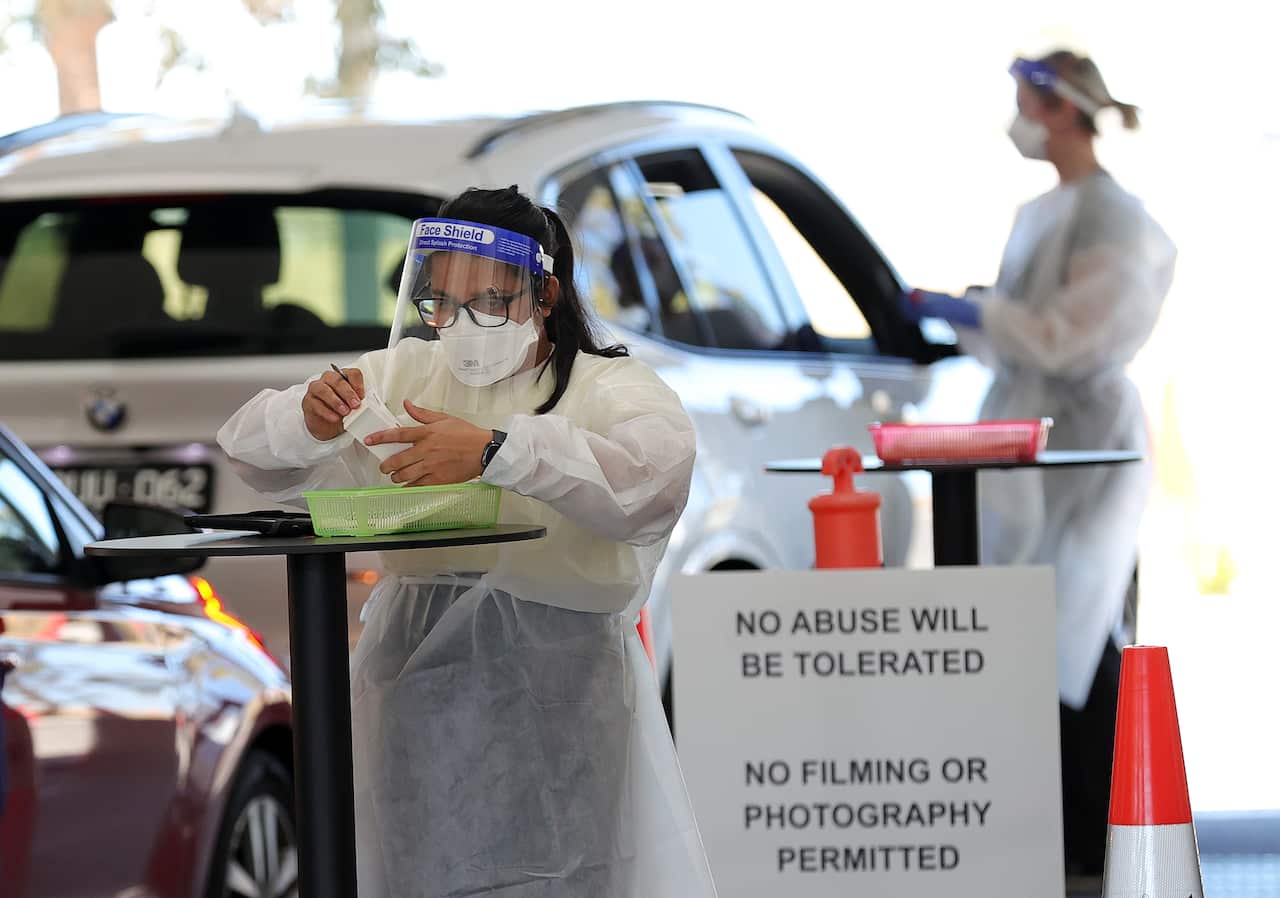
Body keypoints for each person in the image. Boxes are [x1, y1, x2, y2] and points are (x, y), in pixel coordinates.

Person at [218, 186, 718, 897]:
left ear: (544, 294)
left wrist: (498, 451)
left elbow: (651, 481)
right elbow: (246, 448)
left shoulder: (606, 386)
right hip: (414, 691)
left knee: (563, 876)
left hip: (561, 696)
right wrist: (309, 418)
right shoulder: (408, 373)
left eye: (490, 301)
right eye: (442, 303)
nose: (461, 324)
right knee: (415, 874)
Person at [900, 50, 1176, 877]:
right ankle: (1036, 836)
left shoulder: (1119, 220)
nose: (1017, 118)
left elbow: (1067, 337)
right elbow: (1026, 330)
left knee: (1082, 632)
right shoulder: (1040, 212)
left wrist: (982, 311)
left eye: (1025, 101)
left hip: (1087, 445)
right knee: (1022, 630)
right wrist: (969, 314)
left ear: (1059, 108)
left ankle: (1094, 846)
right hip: (1025, 438)